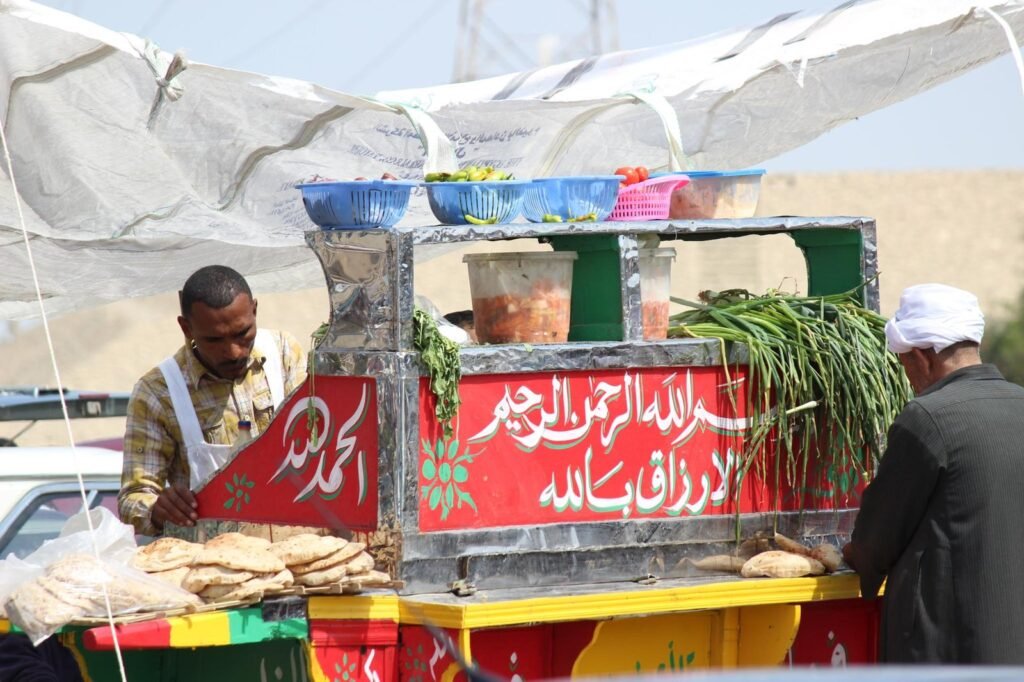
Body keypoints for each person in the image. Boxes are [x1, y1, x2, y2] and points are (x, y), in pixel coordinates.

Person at [842, 283, 1024, 664]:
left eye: (905, 362)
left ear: (924, 356)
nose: (908, 376)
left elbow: (877, 540)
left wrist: (848, 555)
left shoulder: (926, 419)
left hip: (951, 652)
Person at [118, 265, 307, 536]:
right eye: (214, 339)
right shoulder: (157, 393)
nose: (232, 352)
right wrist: (157, 510)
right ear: (186, 328)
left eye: (242, 334)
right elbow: (132, 499)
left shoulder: (285, 354)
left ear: (254, 311)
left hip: (296, 549)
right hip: (212, 562)